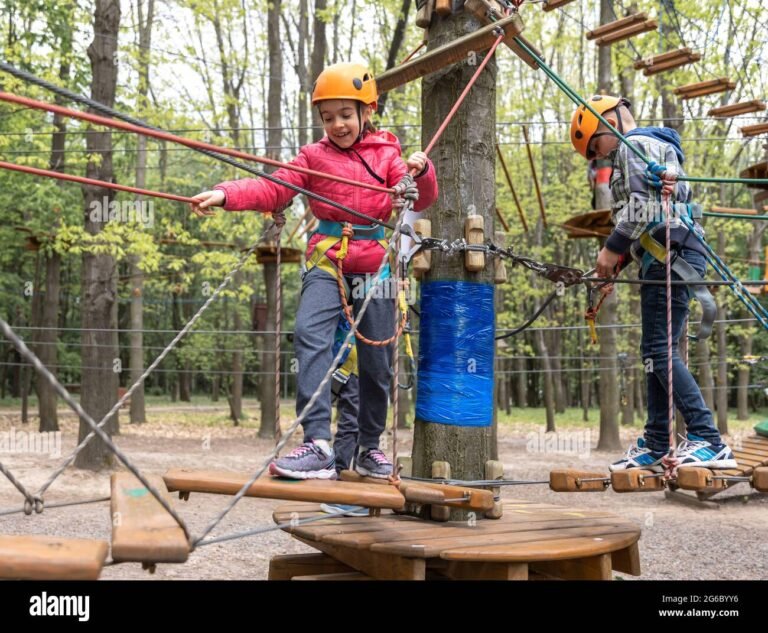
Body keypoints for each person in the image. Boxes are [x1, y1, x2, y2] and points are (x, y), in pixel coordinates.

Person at [191, 62, 437, 479]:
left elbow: (420, 197)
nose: (337, 124)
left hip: (374, 265)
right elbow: (273, 187)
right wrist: (224, 194)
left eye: (345, 114)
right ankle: (318, 442)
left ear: (367, 112)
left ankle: (369, 446)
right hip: (327, 259)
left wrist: (422, 172)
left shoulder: (387, 154)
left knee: (377, 359)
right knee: (310, 335)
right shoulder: (312, 158)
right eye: (328, 117)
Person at [570, 95, 736, 472]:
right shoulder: (648, 147)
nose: (599, 157)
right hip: (665, 255)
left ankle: (708, 439)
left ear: (610, 122)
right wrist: (620, 261)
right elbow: (651, 216)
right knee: (655, 351)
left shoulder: (634, 144)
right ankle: (658, 440)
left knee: (659, 350)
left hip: (670, 257)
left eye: (596, 147)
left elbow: (642, 208)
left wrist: (611, 250)